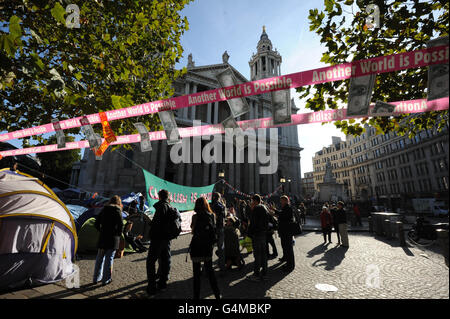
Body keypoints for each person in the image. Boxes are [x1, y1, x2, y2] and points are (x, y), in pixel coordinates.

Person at [189, 197, 221, 299]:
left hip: (196, 246)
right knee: (210, 273)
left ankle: (196, 296)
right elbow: (214, 230)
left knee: (196, 275)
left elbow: (193, 231)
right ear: (207, 204)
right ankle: (217, 294)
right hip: (207, 247)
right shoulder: (212, 215)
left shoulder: (194, 216)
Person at [146, 189, 176, 295]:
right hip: (167, 238)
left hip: (158, 238)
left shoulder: (160, 207)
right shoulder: (170, 206)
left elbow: (157, 223)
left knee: (150, 262)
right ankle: (163, 284)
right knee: (165, 260)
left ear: (159, 196)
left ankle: (152, 286)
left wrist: (149, 221)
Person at [93, 195, 124, 285]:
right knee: (109, 259)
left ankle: (96, 278)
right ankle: (106, 279)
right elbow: (121, 225)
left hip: (103, 237)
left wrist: (101, 231)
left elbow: (96, 223)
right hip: (113, 239)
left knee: (99, 258)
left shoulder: (104, 209)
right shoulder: (118, 211)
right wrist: (118, 234)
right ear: (118, 202)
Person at [247, 194, 270, 281]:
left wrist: (250, 233)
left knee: (257, 255)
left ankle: (256, 275)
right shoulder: (264, 208)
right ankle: (265, 273)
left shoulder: (256, 209)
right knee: (263, 255)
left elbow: (253, 223)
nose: (251, 203)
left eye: (252, 201)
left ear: (255, 201)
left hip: (257, 234)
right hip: (263, 234)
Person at [271, 196, 295, 272]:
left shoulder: (288, 208)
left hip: (286, 231)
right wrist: (274, 211)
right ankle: (288, 262)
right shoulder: (286, 208)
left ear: (285, 201)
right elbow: (282, 215)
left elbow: (282, 216)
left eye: (281, 201)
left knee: (289, 249)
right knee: (286, 247)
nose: (280, 202)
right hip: (284, 231)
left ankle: (290, 265)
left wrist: (275, 212)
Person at [210, 192, 226, 271]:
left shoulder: (210, 205)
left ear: (213, 197)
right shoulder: (221, 206)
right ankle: (222, 267)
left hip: (212, 229)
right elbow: (224, 216)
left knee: (209, 248)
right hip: (220, 228)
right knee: (221, 248)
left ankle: (207, 268)